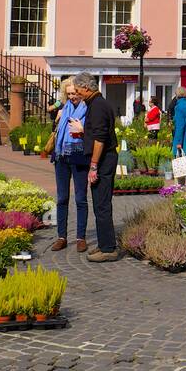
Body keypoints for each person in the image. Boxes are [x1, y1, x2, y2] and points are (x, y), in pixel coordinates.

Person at [68, 72, 120, 261]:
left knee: (102, 204)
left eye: (78, 90)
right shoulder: (96, 103)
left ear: (86, 88)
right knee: (99, 203)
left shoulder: (98, 106)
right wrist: (83, 132)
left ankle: (108, 249)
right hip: (104, 158)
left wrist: (93, 166)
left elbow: (100, 139)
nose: (77, 93)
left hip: (104, 159)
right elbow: (96, 134)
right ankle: (104, 244)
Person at [41, 80, 89, 252]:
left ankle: (81, 237)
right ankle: (61, 237)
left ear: (80, 92)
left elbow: (92, 134)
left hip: (79, 156)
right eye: (68, 94)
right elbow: (57, 133)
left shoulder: (87, 109)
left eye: (74, 93)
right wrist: (58, 119)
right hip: (61, 157)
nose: (72, 97)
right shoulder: (64, 109)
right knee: (61, 199)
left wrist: (82, 129)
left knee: (80, 198)